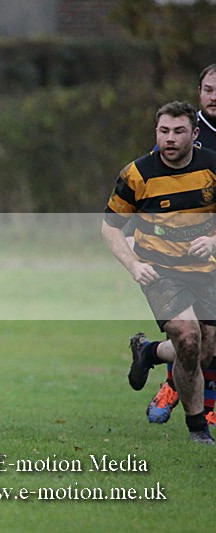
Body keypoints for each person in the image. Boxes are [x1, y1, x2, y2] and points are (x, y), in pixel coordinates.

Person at [102, 100, 216, 445]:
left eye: (179, 131)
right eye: (164, 131)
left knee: (206, 351)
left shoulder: (212, 167)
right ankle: (198, 428)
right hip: (161, 271)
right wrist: (134, 265)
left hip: (206, 270)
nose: (170, 138)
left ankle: (149, 352)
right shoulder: (137, 175)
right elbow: (110, 228)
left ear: (194, 134)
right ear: (156, 132)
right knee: (187, 336)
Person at [126, 64, 216, 427]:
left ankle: (150, 352)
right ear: (199, 92)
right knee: (190, 334)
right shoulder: (186, 137)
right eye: (209, 89)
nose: (215, 96)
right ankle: (200, 408)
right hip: (183, 260)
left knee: (204, 341)